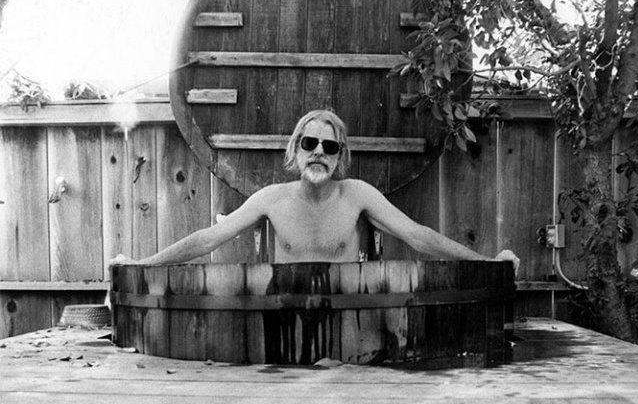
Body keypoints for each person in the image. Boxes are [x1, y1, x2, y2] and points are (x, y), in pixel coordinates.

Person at [113, 109, 518, 270]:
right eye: (309, 144)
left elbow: (418, 235)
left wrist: (488, 263)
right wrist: (142, 265)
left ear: (340, 156)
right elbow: (207, 239)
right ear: (296, 150)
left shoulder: (357, 195)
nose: (319, 152)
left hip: (346, 324)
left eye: (330, 146)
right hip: (283, 323)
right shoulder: (271, 199)